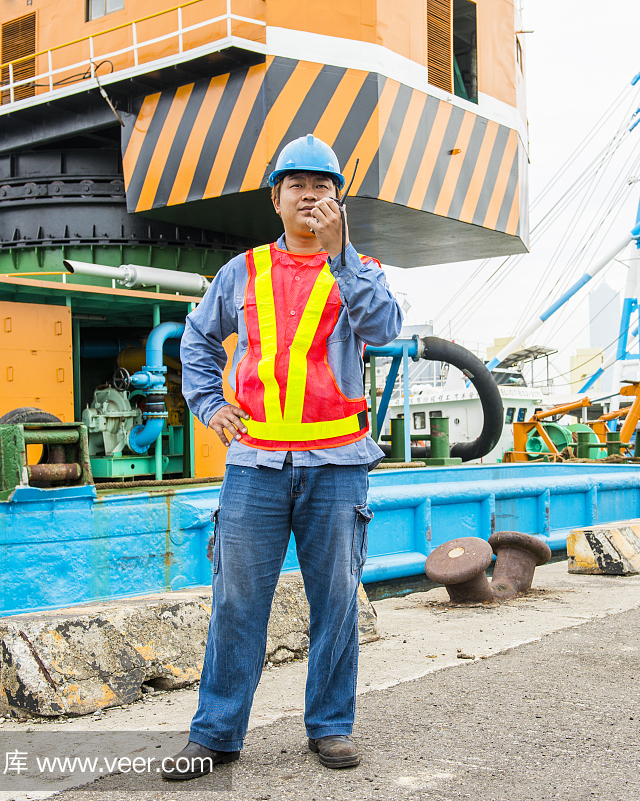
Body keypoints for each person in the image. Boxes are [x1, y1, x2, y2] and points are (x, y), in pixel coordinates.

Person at [166, 134, 403, 780]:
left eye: (321, 186)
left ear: (339, 201)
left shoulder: (361, 270)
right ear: (276, 199)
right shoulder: (241, 272)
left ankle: (330, 725)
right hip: (255, 466)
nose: (308, 195)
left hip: (338, 464)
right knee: (237, 600)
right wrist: (210, 403)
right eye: (295, 185)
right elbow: (197, 339)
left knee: (336, 600)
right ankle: (215, 733)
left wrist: (343, 256)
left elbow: (386, 330)